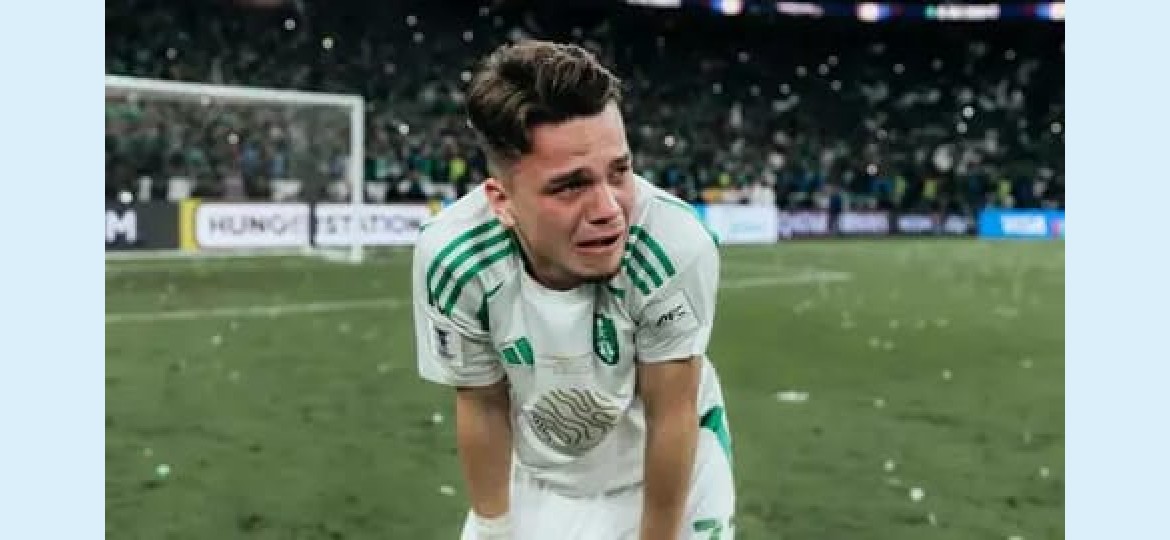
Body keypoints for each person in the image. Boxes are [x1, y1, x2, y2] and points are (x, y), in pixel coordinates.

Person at [411, 40, 736, 540]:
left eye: (619, 172)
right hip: (542, 478)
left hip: (672, 474)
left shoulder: (674, 244)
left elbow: (672, 415)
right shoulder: (456, 260)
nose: (608, 209)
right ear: (501, 201)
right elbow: (482, 403)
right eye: (570, 186)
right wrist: (495, 531)